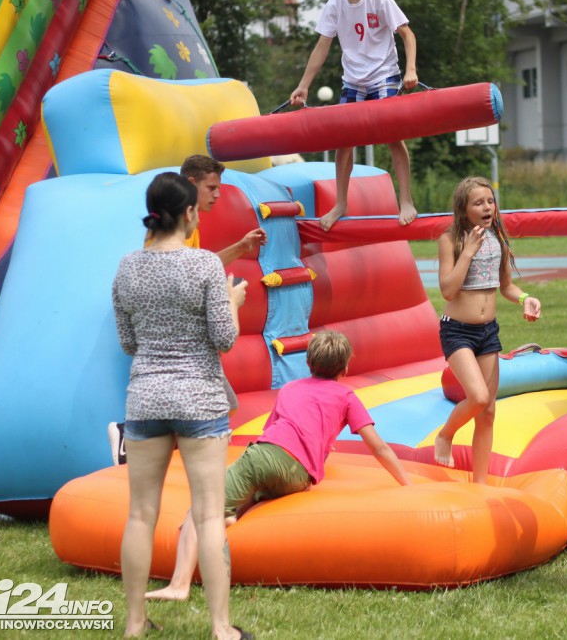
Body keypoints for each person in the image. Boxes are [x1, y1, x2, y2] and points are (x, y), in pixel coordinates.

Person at [145, 330, 412, 602]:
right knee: (257, 482)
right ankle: (230, 512)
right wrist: (407, 483)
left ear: (308, 363)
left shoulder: (290, 388)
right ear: (345, 368)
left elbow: (269, 434)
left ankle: (179, 585)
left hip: (269, 456)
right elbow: (378, 446)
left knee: (203, 505)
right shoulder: (347, 396)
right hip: (300, 477)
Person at [112, 173, 250, 639]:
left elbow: (129, 343)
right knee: (210, 514)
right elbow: (225, 339)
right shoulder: (206, 266)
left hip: (145, 397)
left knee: (139, 514)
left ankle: (134, 625)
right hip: (199, 399)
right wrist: (232, 300)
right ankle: (220, 628)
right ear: (190, 214)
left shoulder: (127, 267)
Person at [108, 155, 267, 465]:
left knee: (224, 404)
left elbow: (194, 268)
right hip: (185, 358)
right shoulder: (165, 237)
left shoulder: (135, 262)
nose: (218, 195)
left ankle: (139, 442)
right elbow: (221, 333)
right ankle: (130, 437)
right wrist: (229, 303)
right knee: (216, 409)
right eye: (212, 188)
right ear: (189, 191)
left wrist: (240, 248)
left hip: (159, 378)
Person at [288, 0, 418, 231]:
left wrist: (410, 70)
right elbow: (322, 47)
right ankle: (341, 203)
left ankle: (405, 200)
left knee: (392, 136)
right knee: (343, 141)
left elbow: (407, 35)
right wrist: (304, 84)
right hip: (354, 80)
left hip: (384, 74)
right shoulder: (335, 4)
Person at [433, 177, 541, 484]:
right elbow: (447, 291)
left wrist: (525, 298)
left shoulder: (499, 239)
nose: (487, 207)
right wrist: (467, 252)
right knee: (478, 397)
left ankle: (479, 483)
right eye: (478, 203)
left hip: (487, 333)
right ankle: (445, 435)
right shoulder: (450, 240)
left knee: (488, 412)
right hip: (457, 332)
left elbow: (506, 286)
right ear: (463, 209)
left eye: (490, 201)